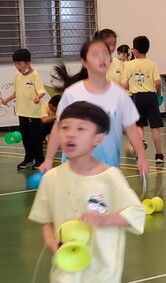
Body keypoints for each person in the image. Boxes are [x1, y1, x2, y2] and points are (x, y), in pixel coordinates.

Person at [28, 101, 145, 283]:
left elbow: (136, 212)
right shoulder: (51, 178)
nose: (71, 134)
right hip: (66, 271)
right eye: (65, 128)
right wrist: (51, 241)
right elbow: (46, 220)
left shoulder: (110, 176)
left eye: (81, 129)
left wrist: (105, 219)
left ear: (98, 138)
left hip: (102, 273)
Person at [38, 39, 148, 175]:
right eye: (95, 54)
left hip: (108, 169)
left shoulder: (120, 95)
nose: (102, 58)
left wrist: (141, 156)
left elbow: (132, 128)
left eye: (105, 54)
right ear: (84, 62)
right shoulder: (72, 93)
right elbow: (58, 125)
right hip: (73, 169)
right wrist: (48, 159)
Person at [121, 36, 165, 164]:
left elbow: (125, 84)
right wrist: (157, 93)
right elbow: (157, 82)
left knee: (139, 125)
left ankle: (140, 155)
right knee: (155, 126)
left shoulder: (129, 65)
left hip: (136, 97)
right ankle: (159, 155)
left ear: (135, 50)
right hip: (150, 96)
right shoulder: (152, 64)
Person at [1, 48, 46, 169]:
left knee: (35, 138)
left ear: (28, 63)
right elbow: (17, 92)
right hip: (21, 112)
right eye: (15, 63)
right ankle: (28, 159)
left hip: (33, 113)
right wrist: (7, 99)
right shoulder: (17, 76)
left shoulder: (35, 75)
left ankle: (40, 160)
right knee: (25, 137)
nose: (17, 66)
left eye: (19, 64)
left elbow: (42, 91)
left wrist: (38, 97)